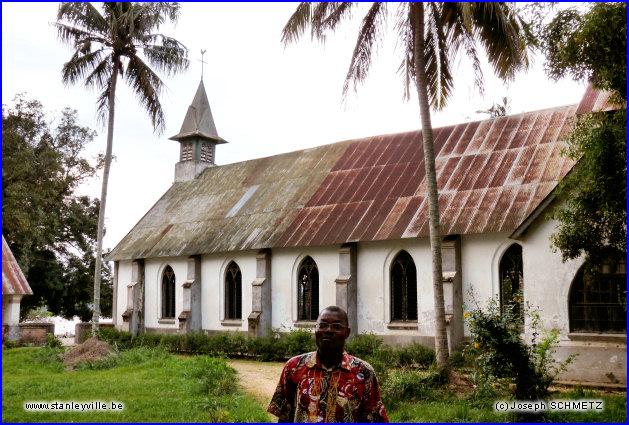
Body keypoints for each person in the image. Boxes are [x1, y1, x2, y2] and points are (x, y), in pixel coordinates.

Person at [268, 306, 389, 423]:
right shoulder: (294, 366)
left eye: (336, 326)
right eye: (322, 325)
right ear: (315, 330)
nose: (328, 330)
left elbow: (374, 418)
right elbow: (283, 416)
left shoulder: (363, 372)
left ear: (347, 333)